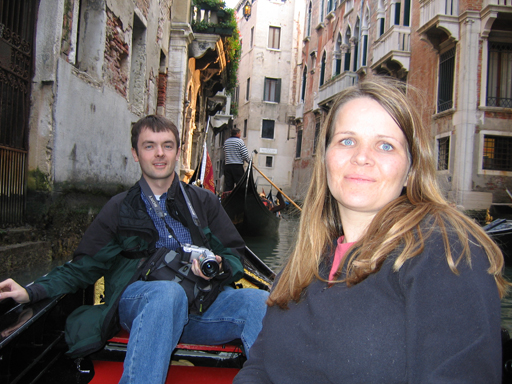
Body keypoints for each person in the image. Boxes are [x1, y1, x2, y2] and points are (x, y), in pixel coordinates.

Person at [234, 78, 509, 383]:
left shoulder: (446, 251)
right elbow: (259, 367)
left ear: (411, 170)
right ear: (326, 159)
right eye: (347, 141)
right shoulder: (304, 261)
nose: (361, 157)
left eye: (385, 145)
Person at [0, 115, 269, 384]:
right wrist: (30, 291)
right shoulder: (118, 208)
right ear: (136, 154)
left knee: (259, 302)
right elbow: (82, 268)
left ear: (177, 152)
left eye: (167, 145)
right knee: (167, 294)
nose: (160, 153)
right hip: (141, 304)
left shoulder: (204, 202)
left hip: (199, 307)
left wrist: (219, 267)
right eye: (149, 146)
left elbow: (235, 255)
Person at [223, 127, 250, 191]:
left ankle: (227, 199)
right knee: (240, 184)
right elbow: (244, 153)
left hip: (227, 166)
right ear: (237, 133)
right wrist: (249, 161)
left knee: (228, 185)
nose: (240, 135)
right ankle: (239, 199)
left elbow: (225, 151)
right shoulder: (240, 141)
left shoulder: (226, 142)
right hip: (237, 166)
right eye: (240, 133)